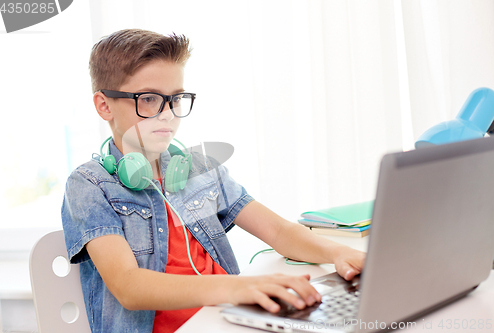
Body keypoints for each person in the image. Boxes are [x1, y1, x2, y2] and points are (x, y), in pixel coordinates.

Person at [61, 28, 365, 333]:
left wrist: (340, 253)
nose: (168, 114)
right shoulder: (90, 184)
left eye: (176, 99)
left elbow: (278, 230)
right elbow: (129, 286)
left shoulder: (199, 169)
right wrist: (235, 287)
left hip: (228, 321)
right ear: (104, 105)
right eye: (150, 99)